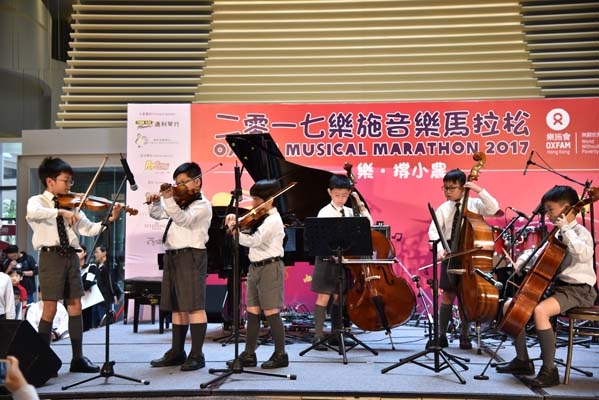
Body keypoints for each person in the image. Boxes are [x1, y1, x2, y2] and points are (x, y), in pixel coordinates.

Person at [25, 156, 122, 373]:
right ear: (50, 181)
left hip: (71, 257)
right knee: (49, 308)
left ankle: (77, 358)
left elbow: (89, 229)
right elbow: (32, 214)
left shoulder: (73, 205)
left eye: (71, 181)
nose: (70, 185)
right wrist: (60, 211)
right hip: (50, 256)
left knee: (75, 305)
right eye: (66, 180)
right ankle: (43, 361)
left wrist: (109, 220)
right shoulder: (37, 201)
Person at [496, 185, 597, 387]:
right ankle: (523, 361)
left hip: (579, 290)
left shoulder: (580, 232)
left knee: (541, 311)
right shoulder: (558, 233)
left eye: (551, 210)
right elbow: (540, 253)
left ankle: (550, 370)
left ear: (566, 208)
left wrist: (566, 229)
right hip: (558, 288)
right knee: (510, 306)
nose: (548, 215)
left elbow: (583, 254)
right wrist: (523, 261)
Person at [146, 161, 212, 371]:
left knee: (194, 305)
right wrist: (154, 203)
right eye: (176, 182)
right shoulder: (180, 202)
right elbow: (158, 214)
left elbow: (183, 220)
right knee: (177, 305)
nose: (178, 186)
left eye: (183, 182)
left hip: (190, 255)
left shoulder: (202, 205)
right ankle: (177, 351)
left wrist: (168, 199)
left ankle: (197, 354)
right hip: (172, 256)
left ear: (197, 182)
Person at [428, 168, 500, 350]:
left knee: (467, 296)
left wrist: (478, 190)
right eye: (445, 188)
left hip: (470, 256)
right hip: (451, 254)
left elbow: (493, 209)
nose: (447, 191)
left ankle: (465, 335)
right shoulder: (443, 208)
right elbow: (434, 231)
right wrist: (440, 250)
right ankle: (441, 335)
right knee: (448, 295)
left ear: (463, 187)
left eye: (452, 188)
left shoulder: (475, 205)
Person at [224, 179, 289, 369]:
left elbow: (254, 240)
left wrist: (235, 232)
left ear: (270, 199)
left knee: (271, 311)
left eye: (257, 200)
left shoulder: (273, 220)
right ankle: (249, 354)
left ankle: (281, 354)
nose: (253, 204)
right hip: (254, 267)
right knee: (252, 311)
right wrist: (233, 219)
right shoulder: (261, 217)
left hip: (270, 267)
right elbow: (247, 227)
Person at [310, 174, 373, 350]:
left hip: (344, 262)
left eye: (345, 195)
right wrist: (332, 253)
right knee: (324, 296)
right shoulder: (325, 212)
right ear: (329, 192)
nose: (341, 199)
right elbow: (322, 238)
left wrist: (359, 203)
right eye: (337, 195)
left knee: (340, 297)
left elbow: (368, 224)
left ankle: (336, 334)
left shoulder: (351, 211)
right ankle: (318, 336)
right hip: (327, 260)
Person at [91, 244, 122, 327]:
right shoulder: (97, 266)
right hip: (97, 297)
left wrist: (114, 295)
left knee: (103, 320)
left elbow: (111, 282)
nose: (95, 254)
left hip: (104, 298)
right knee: (96, 319)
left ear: (104, 253)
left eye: (97, 252)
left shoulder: (108, 267)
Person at [78, 245, 99, 331]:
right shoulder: (71, 268)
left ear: (85, 253)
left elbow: (87, 284)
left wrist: (74, 288)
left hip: (87, 302)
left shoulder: (91, 267)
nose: (77, 253)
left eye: (79, 251)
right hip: (73, 301)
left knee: (86, 325)